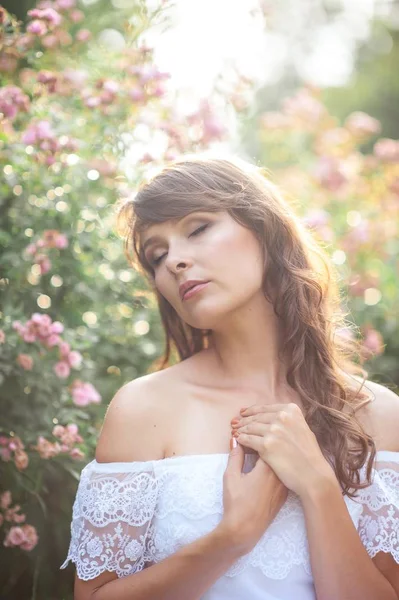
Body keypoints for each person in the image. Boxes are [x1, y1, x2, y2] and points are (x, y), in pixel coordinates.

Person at [60, 154, 399, 600]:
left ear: (264, 227)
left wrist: (318, 486)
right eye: (157, 255)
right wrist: (233, 536)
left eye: (198, 229)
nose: (175, 262)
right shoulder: (144, 409)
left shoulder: (377, 413)